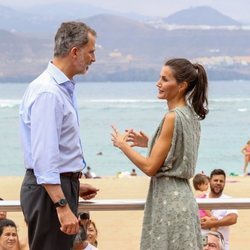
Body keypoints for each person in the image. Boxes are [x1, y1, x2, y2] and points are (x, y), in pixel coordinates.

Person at [111, 58, 209, 249]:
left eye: (165, 79)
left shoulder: (172, 117)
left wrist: (123, 145)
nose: (158, 83)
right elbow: (180, 152)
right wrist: (151, 144)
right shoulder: (190, 115)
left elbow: (150, 167)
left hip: (168, 202)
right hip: (184, 199)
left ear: (181, 85)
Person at [19, 21, 99, 250]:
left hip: (58, 187)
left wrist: (72, 184)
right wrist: (62, 204)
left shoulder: (60, 89)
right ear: (75, 52)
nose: (93, 58)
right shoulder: (49, 92)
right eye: (91, 52)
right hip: (50, 194)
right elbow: (44, 156)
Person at [201, 169, 238, 250]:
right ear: (210, 181)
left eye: (221, 181)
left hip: (221, 246)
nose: (218, 183)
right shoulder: (201, 199)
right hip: (202, 245)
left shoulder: (229, 199)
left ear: (224, 183)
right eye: (215, 180)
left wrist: (212, 223)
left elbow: (233, 218)